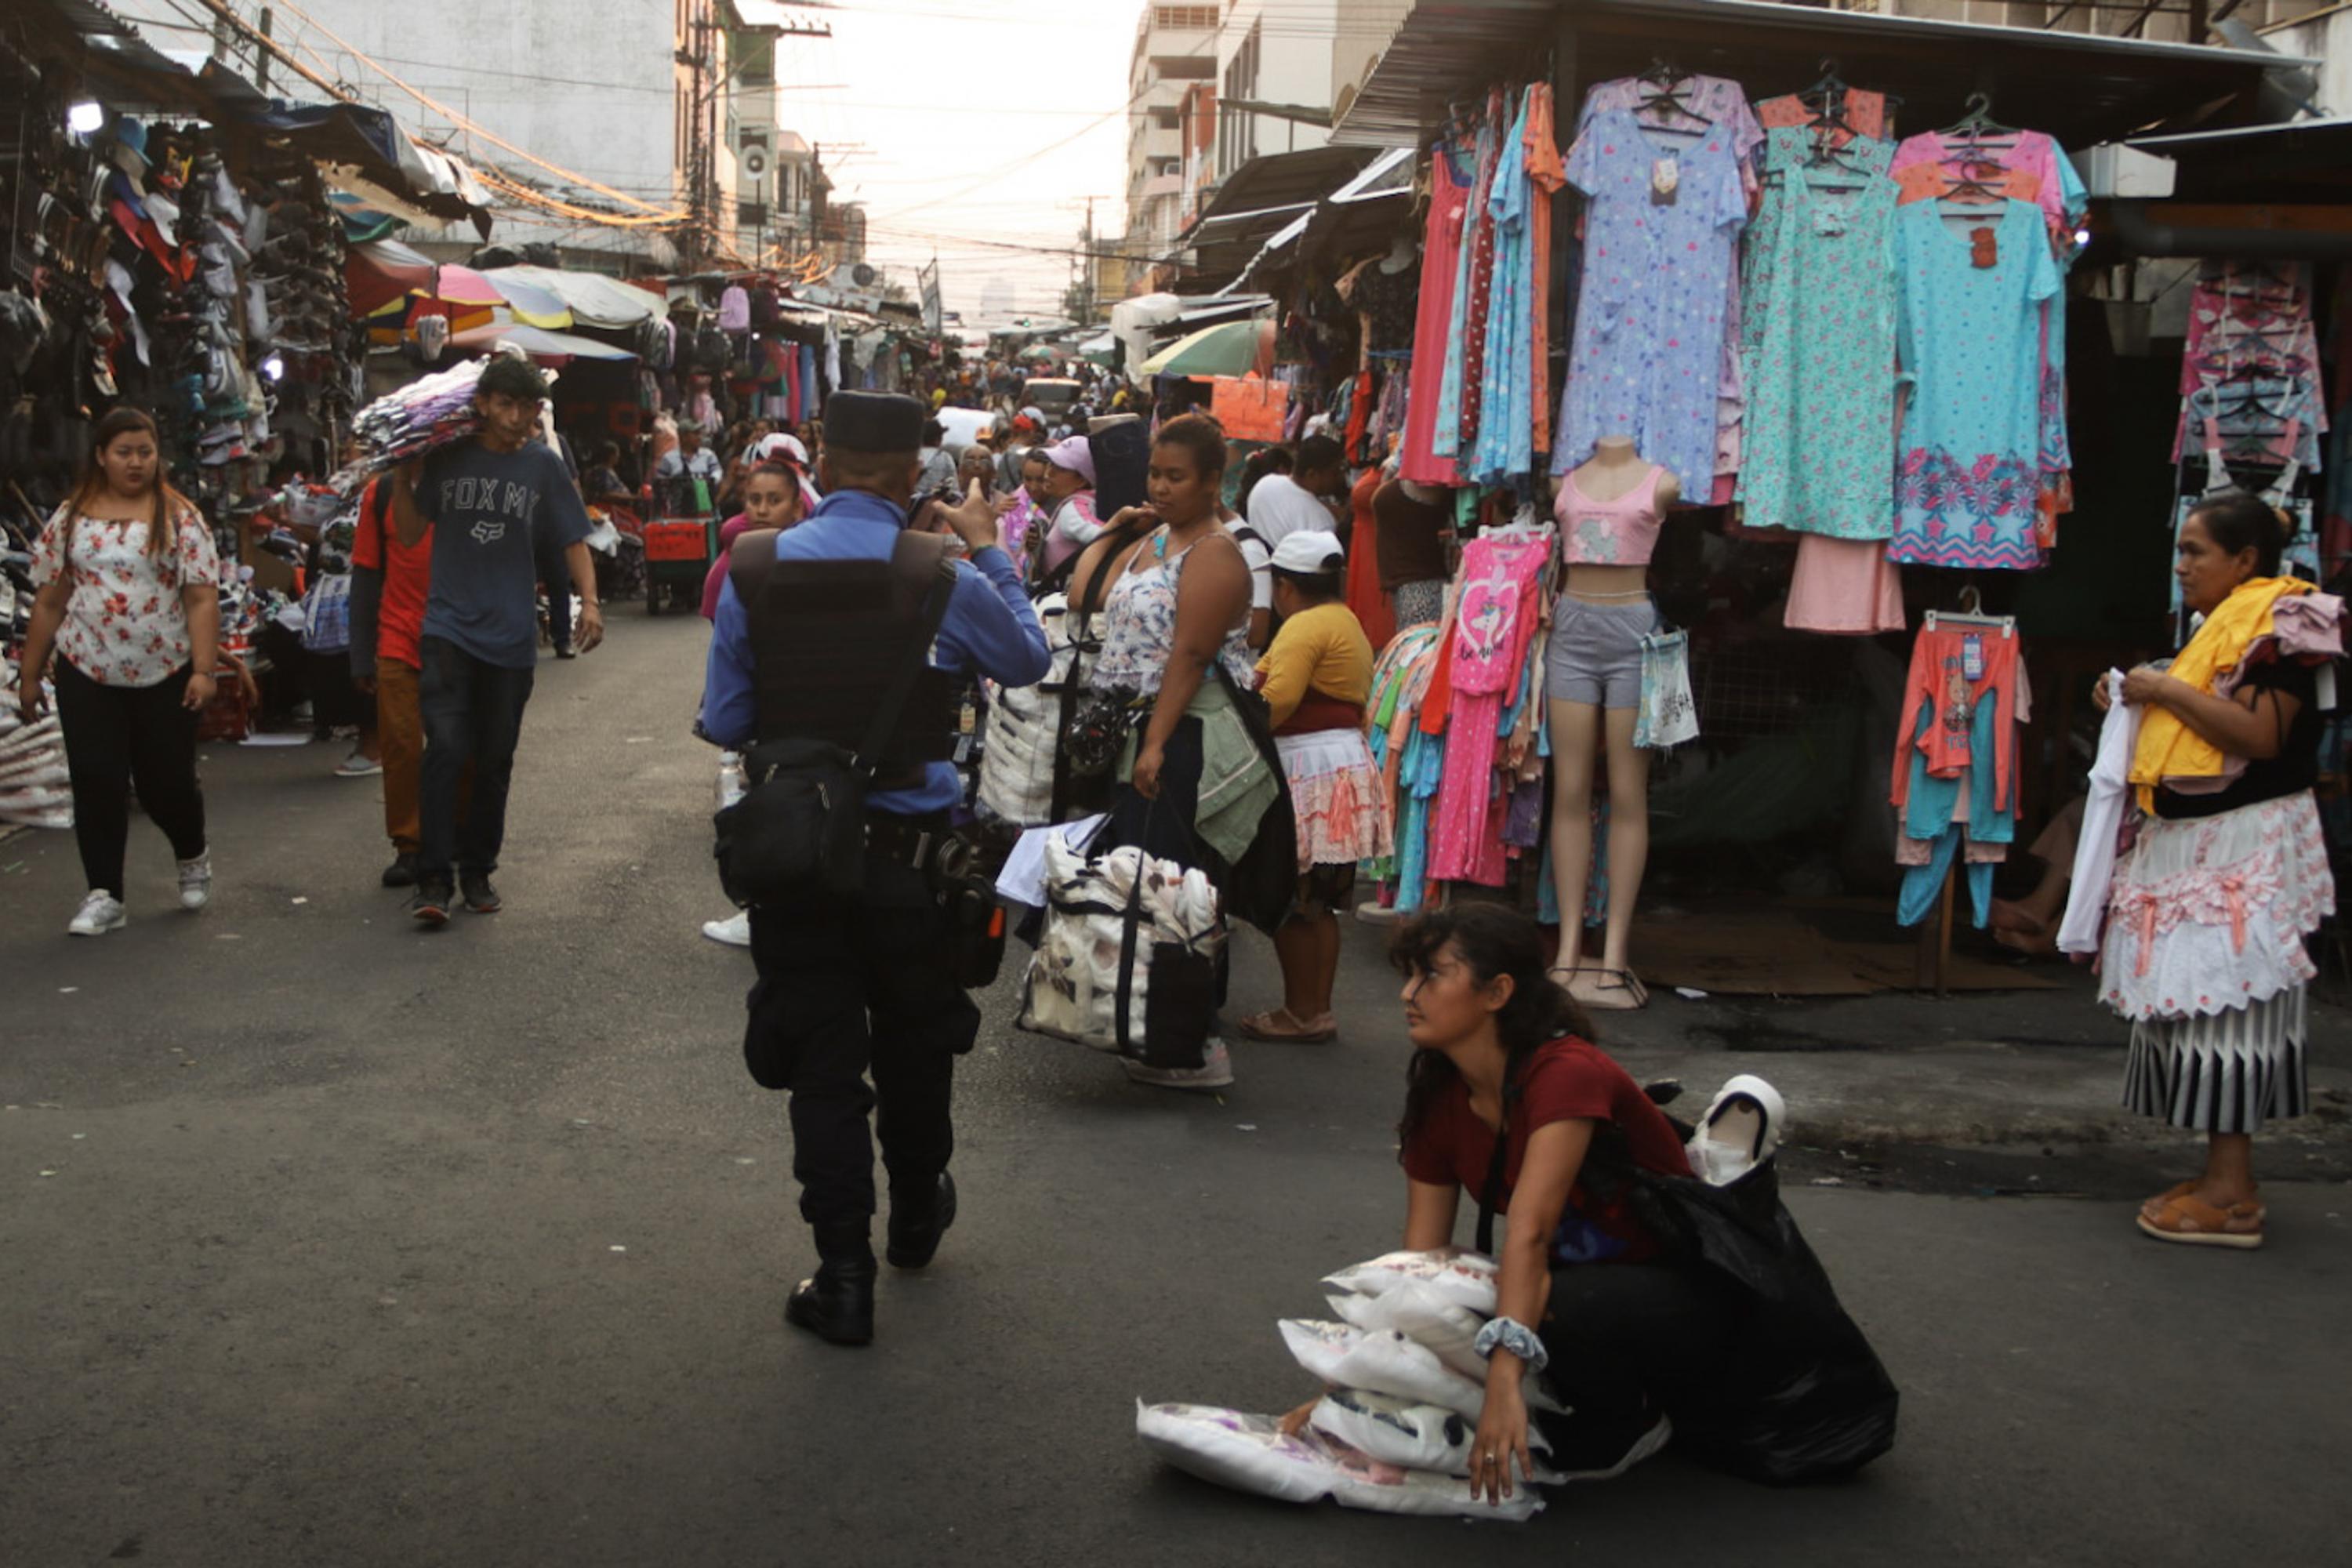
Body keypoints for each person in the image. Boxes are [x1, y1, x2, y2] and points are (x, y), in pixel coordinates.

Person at [699, 390, 1049, 1345]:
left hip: (800, 861)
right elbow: (1025, 658)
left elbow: (727, 721)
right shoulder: (940, 566)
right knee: (914, 1044)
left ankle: (842, 1279)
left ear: (825, 455)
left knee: (822, 1065)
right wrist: (987, 550)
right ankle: (915, 1220)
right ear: (912, 474)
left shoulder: (755, 563)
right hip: (913, 863)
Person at [1361, 904, 1721, 1490]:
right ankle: (1562, 1387)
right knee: (1447, 1299)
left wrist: (1504, 1382)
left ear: (1497, 991)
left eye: (1431, 974)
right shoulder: (1437, 1091)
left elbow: (1528, 1232)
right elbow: (1419, 1267)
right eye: (1410, 974)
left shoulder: (1567, 1073)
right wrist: (1348, 1402)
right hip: (1573, 1275)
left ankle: (1637, 1415)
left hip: (1677, 1291)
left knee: (1553, 1308)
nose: (1409, 992)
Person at [2092, 491, 2340, 1249]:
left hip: (2244, 853)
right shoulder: (2217, 632)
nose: (2181, 565)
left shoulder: (2286, 629)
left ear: (2246, 561)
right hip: (2202, 852)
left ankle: (2231, 1194)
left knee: (2232, 1016)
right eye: (2181, 549)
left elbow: (2262, 735)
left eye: (2195, 551)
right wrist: (2132, 695)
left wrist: (2162, 688)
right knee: (2201, 1013)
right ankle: (2223, 1182)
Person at [1066, 415, 1278, 1091]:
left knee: (1178, 889)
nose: (1159, 486)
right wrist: (1114, 531)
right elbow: (1083, 597)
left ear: (1214, 481)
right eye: (1154, 474)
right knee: (1140, 884)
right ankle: (1157, 1031)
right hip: (1139, 731)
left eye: (1175, 477)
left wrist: (1155, 744)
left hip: (1183, 734)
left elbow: (1191, 654)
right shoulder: (1156, 536)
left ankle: (1195, 1044)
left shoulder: (1216, 551)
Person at [387, 354, 604, 926]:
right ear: (481, 404)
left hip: (511, 636)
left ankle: (478, 869)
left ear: (538, 411)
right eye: (504, 404)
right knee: (448, 749)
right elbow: (410, 534)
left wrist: (591, 603)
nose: (514, 417)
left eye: (526, 406)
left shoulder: (543, 466)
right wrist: (399, 477)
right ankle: (433, 878)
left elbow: (572, 537)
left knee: (494, 759)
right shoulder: (447, 457)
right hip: (448, 630)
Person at [16, 406, 222, 935]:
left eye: (145, 453)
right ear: (101, 457)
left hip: (165, 671)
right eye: (124, 453)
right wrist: (31, 673)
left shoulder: (180, 518)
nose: (136, 463)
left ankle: (192, 852)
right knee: (97, 780)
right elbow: (48, 602)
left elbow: (200, 598)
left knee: (165, 784)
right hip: (87, 669)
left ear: (158, 457)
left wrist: (203, 669)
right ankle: (105, 893)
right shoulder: (70, 521)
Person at [1238, 530, 1391, 1042]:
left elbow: (1277, 702)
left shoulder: (1303, 626)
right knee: (1318, 902)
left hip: (1310, 767)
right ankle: (1315, 1010)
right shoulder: (1343, 618)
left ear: (1283, 586)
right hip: (1340, 762)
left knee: (1293, 898)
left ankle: (1301, 1013)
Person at [349, 474, 462, 889]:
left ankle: (455, 839)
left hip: (457, 638)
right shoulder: (381, 493)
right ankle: (409, 845)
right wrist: (361, 655)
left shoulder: (463, 485)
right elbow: (365, 573)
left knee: (455, 746)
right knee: (400, 745)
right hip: (398, 638)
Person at [1245, 434, 1346, 547]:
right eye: (1335, 472)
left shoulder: (1265, 484)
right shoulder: (1322, 523)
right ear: (1312, 475)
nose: (1341, 477)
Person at [1033, 434, 1102, 585]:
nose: (1049, 473)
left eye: (1061, 469)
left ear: (1081, 480)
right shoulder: (1084, 502)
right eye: (1051, 464)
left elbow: (1101, 534)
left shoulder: (1072, 509)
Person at [654, 419, 723, 511]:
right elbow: (661, 482)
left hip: (704, 506)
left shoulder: (708, 455)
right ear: (684, 437)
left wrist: (709, 481)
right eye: (695, 434)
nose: (699, 437)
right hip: (677, 509)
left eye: (700, 434)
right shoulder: (669, 458)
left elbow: (717, 472)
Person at [583, 441, 634, 509]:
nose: (618, 457)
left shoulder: (609, 471)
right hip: (608, 510)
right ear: (611, 456)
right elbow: (606, 494)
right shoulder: (601, 472)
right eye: (617, 454)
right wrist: (633, 497)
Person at [916, 419, 957, 495]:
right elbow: (954, 488)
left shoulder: (912, 457)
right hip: (938, 503)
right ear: (938, 440)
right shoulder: (945, 458)